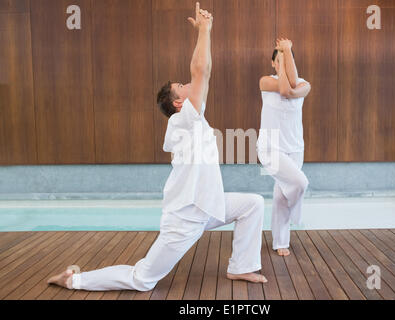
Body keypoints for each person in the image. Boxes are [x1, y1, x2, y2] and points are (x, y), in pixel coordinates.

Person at [47, 2, 267, 291]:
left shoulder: (192, 119)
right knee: (143, 280)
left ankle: (242, 267)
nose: (190, 84)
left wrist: (204, 32)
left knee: (252, 204)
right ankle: (73, 279)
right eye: (182, 86)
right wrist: (205, 30)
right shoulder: (184, 119)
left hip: (209, 207)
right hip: (186, 218)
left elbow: (201, 74)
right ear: (178, 102)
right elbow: (202, 70)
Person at [256, 38, 311, 257]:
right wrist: (285, 51)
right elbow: (286, 90)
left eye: (286, 60)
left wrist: (287, 52)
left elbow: (291, 88)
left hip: (295, 148)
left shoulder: (304, 84)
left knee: (280, 196)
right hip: (270, 148)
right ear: (273, 64)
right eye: (278, 60)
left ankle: (281, 242)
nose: (281, 65)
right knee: (300, 182)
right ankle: (297, 216)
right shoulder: (265, 81)